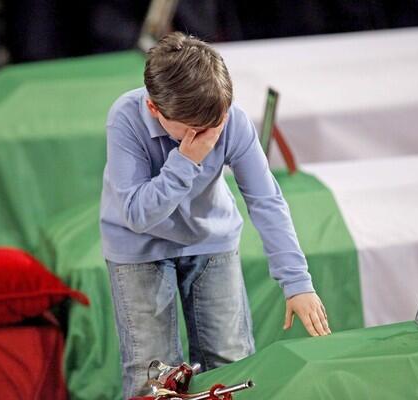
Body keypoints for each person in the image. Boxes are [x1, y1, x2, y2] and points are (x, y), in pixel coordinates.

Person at [100, 32, 329, 398]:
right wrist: (187, 160)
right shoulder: (125, 118)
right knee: (153, 375)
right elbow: (137, 215)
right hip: (138, 247)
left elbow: (266, 199)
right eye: (197, 129)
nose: (212, 133)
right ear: (154, 109)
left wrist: (296, 281)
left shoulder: (228, 119)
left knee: (232, 360)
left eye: (217, 121)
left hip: (211, 241)